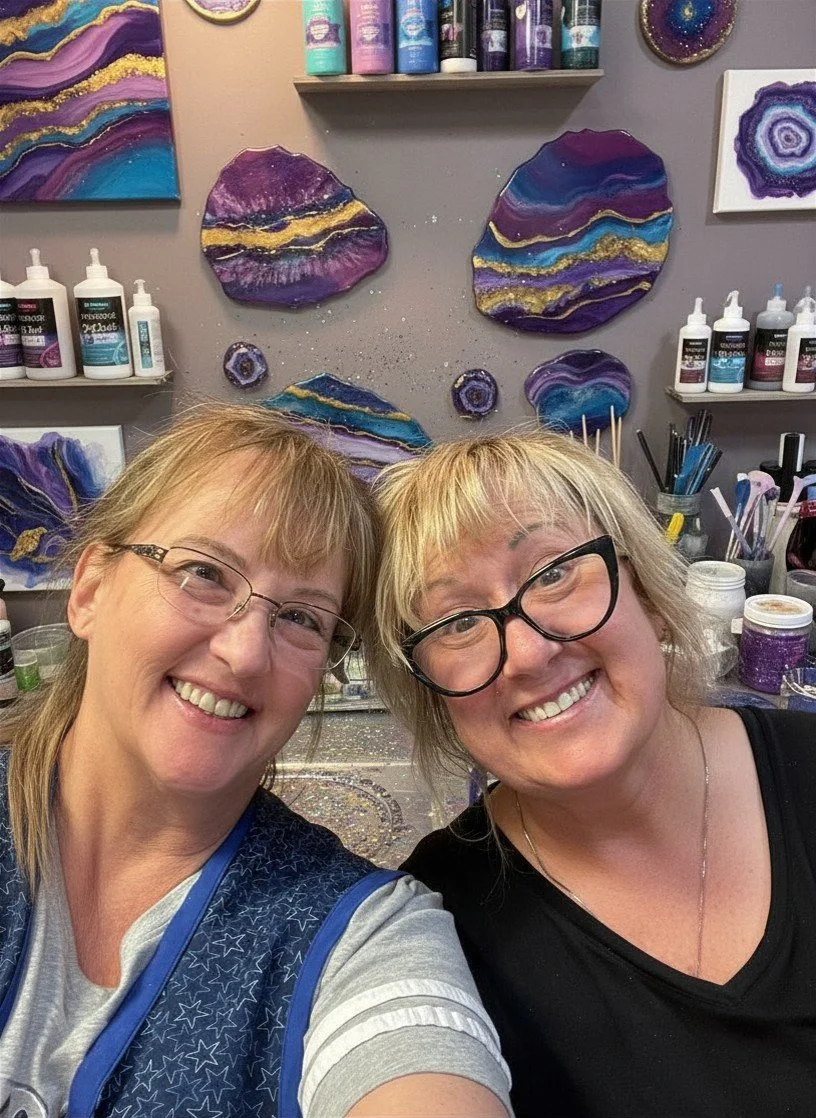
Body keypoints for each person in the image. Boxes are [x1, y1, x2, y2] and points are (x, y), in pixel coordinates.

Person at [0, 404, 512, 1118]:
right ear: (89, 590)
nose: (245, 654)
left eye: (302, 618)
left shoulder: (366, 937)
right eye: (205, 573)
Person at [371, 428, 816, 1118]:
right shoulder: (432, 924)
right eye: (457, 622)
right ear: (428, 690)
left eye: (553, 573)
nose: (523, 654)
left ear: (646, 589)